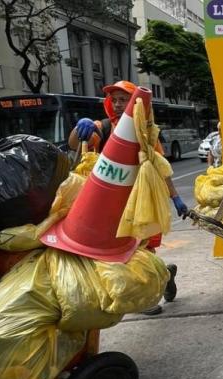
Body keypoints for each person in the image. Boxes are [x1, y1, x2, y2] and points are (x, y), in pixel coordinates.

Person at [70, 80, 186, 316]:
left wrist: (175, 198)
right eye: (115, 100)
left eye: (124, 99)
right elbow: (74, 144)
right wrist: (78, 128)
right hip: (112, 203)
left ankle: (147, 297)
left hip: (140, 200)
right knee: (119, 251)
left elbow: (160, 167)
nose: (119, 104)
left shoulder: (146, 134)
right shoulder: (102, 128)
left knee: (142, 250)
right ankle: (164, 275)